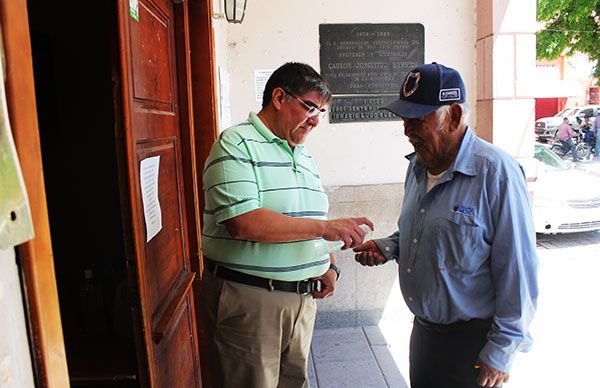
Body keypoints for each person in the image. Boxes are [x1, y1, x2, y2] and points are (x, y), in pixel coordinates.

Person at [353, 62, 539, 388]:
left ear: (452, 116)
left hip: (473, 345)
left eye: (417, 119)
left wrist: (501, 350)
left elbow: (518, 269)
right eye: (405, 120)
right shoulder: (417, 167)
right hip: (423, 335)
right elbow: (427, 233)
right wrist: (390, 247)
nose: (408, 130)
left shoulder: (497, 173)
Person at [200, 62, 373, 388]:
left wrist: (329, 265)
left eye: (321, 111)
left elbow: (313, 216)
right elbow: (245, 223)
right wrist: (325, 230)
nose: (316, 120)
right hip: (251, 300)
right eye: (309, 107)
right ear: (279, 97)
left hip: (303, 300)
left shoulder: (303, 155)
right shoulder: (235, 144)